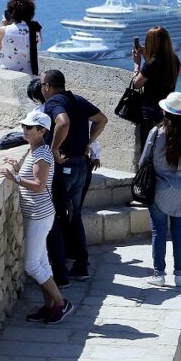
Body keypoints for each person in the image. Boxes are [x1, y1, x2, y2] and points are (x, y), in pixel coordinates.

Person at [0, 110, 75, 325]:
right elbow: (37, 176)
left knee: (32, 265)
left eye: (29, 127)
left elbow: (39, 186)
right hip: (37, 214)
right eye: (23, 126)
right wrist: (19, 166)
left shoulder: (42, 153)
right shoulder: (36, 150)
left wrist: (15, 177)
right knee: (41, 262)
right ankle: (49, 306)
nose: (24, 129)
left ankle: (61, 303)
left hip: (39, 215)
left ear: (42, 131)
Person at [41, 69, 108, 284]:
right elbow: (102, 119)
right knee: (75, 215)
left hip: (64, 166)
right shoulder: (78, 99)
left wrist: (53, 149)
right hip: (82, 166)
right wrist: (87, 143)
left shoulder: (53, 103)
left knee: (57, 218)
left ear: (48, 87)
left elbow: (62, 122)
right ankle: (81, 265)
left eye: (43, 85)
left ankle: (59, 273)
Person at [142, 92, 181, 287]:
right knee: (180, 234)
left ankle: (159, 274)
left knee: (159, 231)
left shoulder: (157, 133)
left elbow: (143, 162)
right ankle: (180, 275)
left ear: (165, 111)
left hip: (160, 189)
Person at [131, 26, 181, 148]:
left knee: (148, 149)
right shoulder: (174, 60)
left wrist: (136, 64)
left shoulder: (152, 63)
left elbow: (136, 84)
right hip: (167, 111)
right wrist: (147, 57)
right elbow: (157, 72)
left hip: (150, 113)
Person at [0, 0, 42, 75]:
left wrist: (2, 26)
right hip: (32, 78)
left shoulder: (4, 30)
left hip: (8, 77)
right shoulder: (36, 29)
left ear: (11, 13)